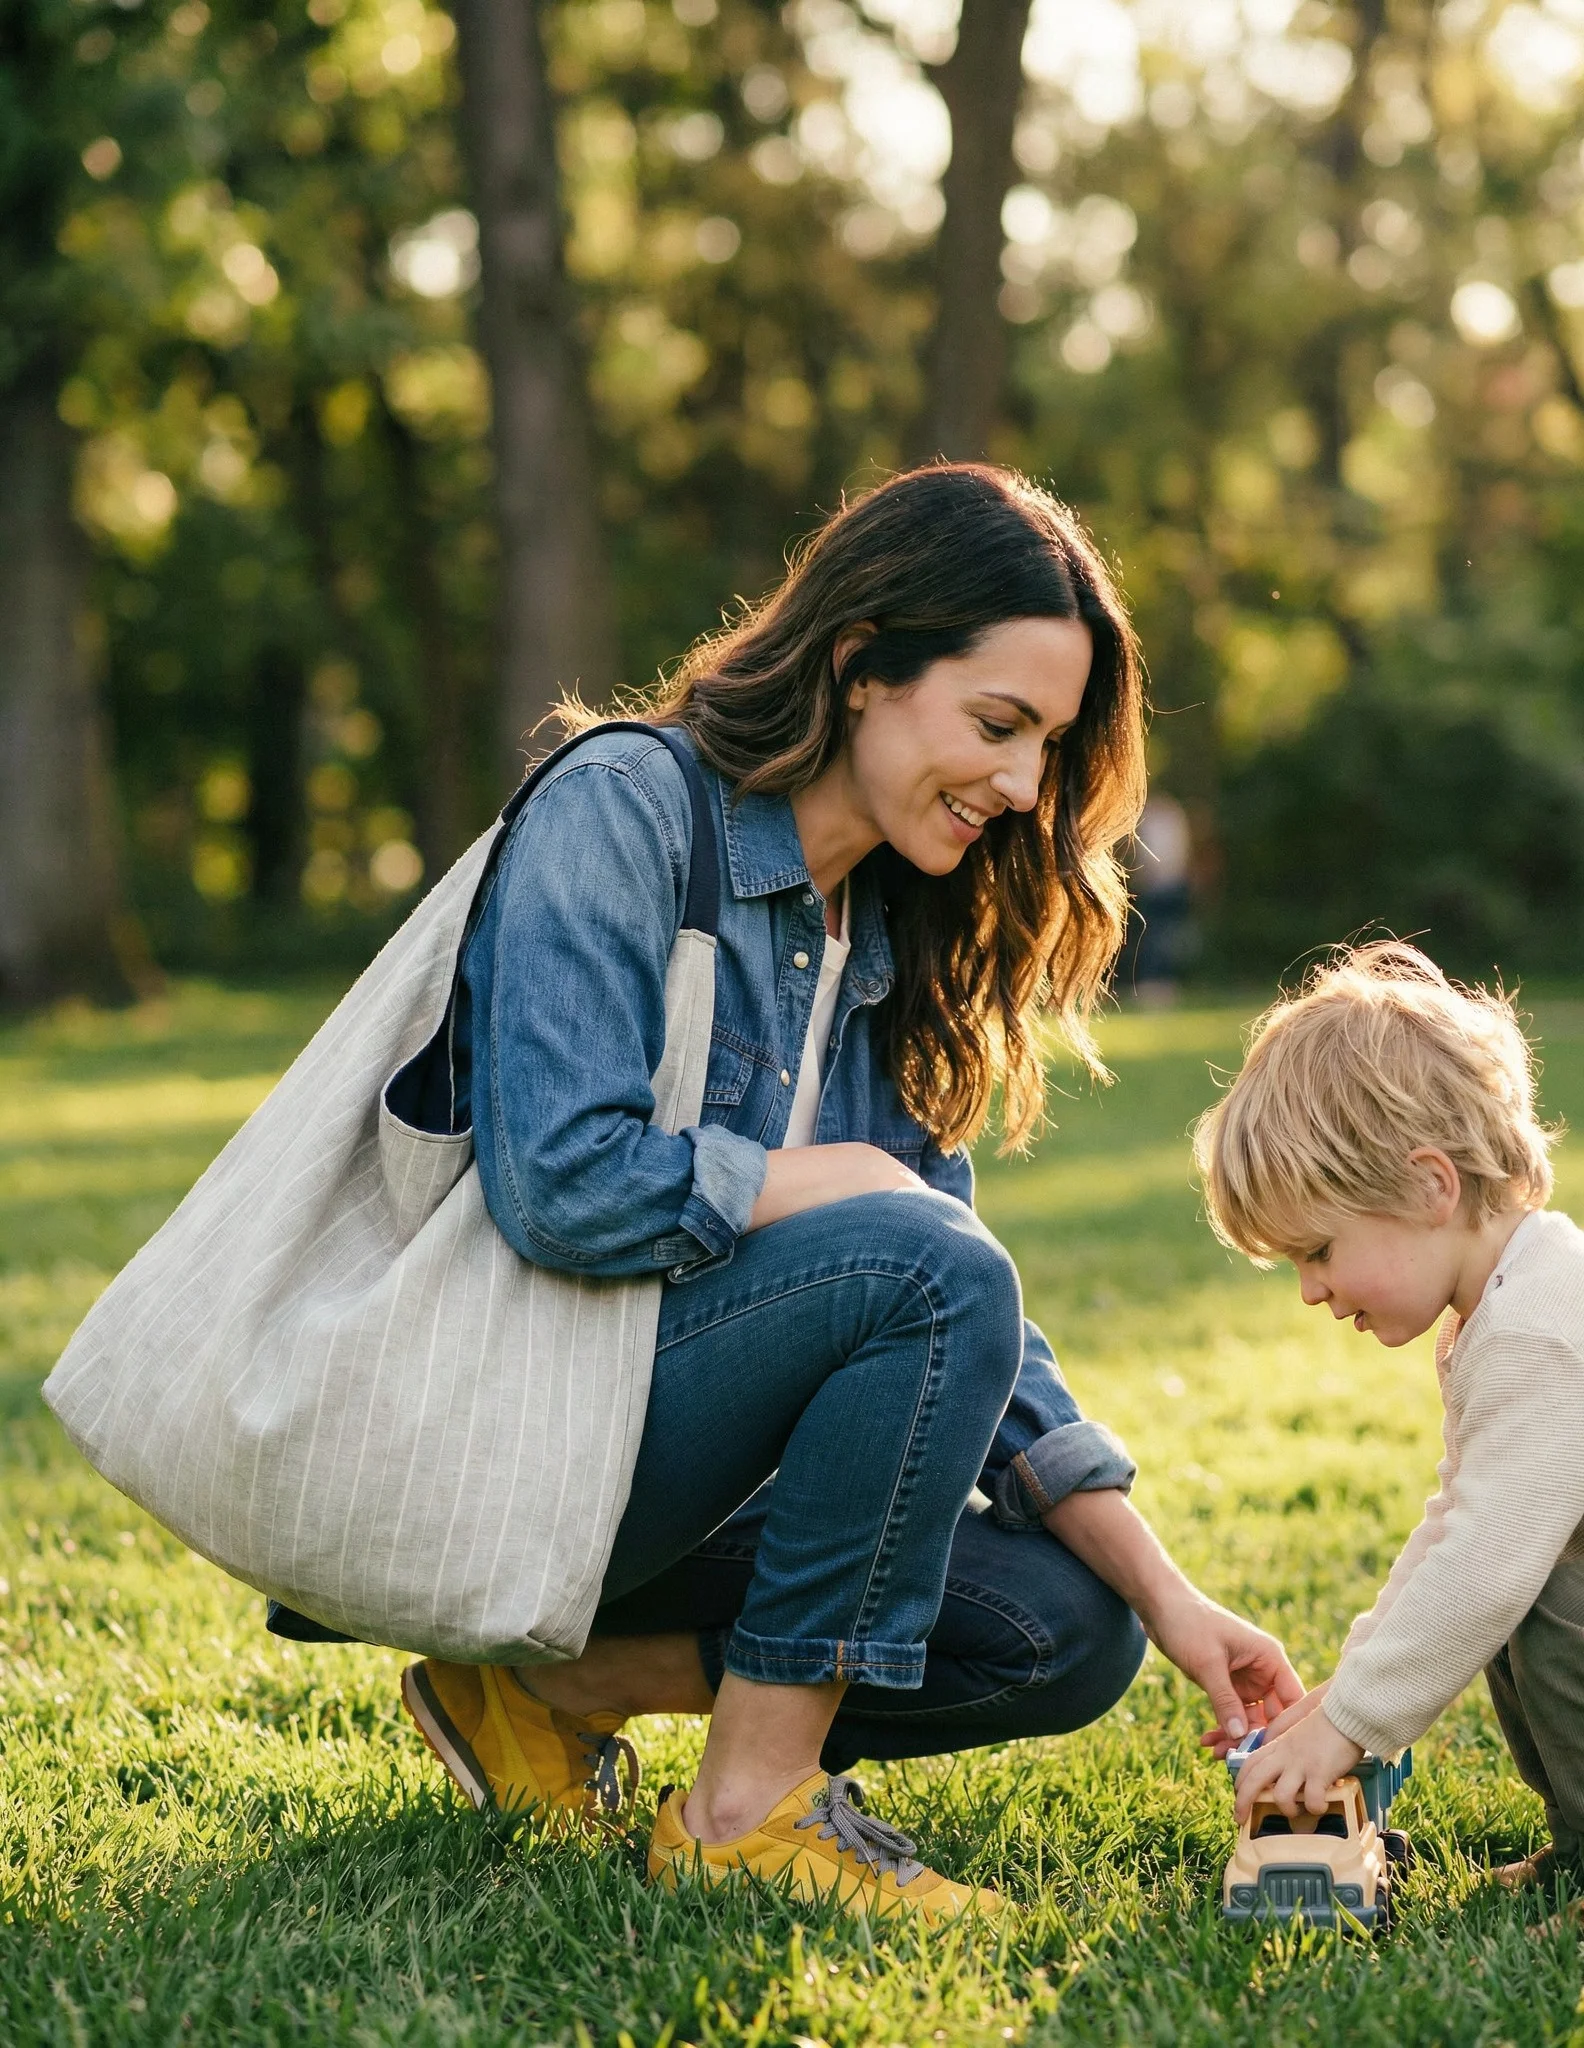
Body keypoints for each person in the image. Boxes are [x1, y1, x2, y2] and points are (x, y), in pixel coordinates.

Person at [400, 464, 1301, 1923]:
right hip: (503, 1454)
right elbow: (560, 1187)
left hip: (676, 1488)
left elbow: (967, 1321)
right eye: (997, 725)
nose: (1023, 787)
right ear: (860, 663)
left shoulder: (885, 924)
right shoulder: (623, 805)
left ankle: (547, 1693)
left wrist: (1170, 1594)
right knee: (907, 1250)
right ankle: (745, 1812)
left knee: (1070, 1631)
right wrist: (847, 1180)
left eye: (1048, 746)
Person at [1194, 941, 1584, 1899]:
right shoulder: (1501, 1302)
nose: (1311, 1292)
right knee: (1522, 1592)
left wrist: (1354, 1724)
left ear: (1430, 1183)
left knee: (1531, 1597)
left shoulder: (1542, 1324)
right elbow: (1459, 1524)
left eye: (1319, 1250)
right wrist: (1350, 1690)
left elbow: (1487, 1563)